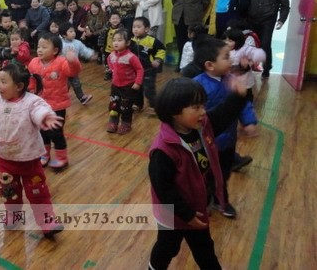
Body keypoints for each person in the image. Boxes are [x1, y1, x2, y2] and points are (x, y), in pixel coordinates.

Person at [148, 77, 248, 270]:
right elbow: (164, 190)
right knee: (168, 247)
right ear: (174, 111)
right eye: (196, 107)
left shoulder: (203, 126)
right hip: (173, 213)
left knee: (204, 250)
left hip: (198, 206)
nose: (203, 112)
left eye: (203, 105)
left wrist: (238, 96)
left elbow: (223, 114)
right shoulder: (163, 150)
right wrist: (186, 214)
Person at [0, 63, 65, 238]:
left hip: (29, 160)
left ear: (18, 86)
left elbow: (39, 109)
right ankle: (13, 215)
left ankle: (47, 221)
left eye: (4, 82)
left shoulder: (31, 101)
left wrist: (45, 116)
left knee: (38, 192)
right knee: (9, 192)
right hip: (5, 160)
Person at [193, 37, 256, 218]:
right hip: (206, 143)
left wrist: (249, 121)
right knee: (205, 174)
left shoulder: (232, 80)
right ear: (210, 65)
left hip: (228, 141)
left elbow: (243, 104)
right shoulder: (198, 84)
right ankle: (205, 200)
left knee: (223, 174)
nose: (231, 60)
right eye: (226, 57)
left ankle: (220, 199)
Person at [28, 33, 81, 169]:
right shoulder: (34, 63)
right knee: (42, 132)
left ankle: (62, 158)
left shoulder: (61, 62)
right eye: (38, 47)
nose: (39, 50)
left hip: (57, 106)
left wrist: (73, 61)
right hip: (40, 106)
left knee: (56, 133)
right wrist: (30, 91)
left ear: (55, 50)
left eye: (44, 47)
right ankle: (44, 155)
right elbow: (31, 80)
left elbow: (73, 72)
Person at [246, 0, 290, 78]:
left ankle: (266, 68)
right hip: (251, 20)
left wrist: (281, 20)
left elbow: (285, 6)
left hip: (268, 21)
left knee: (265, 45)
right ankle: (247, 68)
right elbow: (247, 3)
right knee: (249, 45)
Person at [171, 0, 211, 70]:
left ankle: (195, 64)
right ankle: (181, 63)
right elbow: (174, 1)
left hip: (194, 19)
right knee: (180, 42)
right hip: (179, 19)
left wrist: (196, 11)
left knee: (195, 42)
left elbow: (206, 1)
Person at [106, 29, 144, 134]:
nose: (116, 43)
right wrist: (112, 69)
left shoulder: (131, 57)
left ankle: (126, 123)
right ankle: (113, 122)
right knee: (114, 105)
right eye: (114, 40)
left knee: (125, 107)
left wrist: (137, 82)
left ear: (127, 43)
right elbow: (109, 61)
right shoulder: (112, 55)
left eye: (119, 40)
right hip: (115, 86)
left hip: (128, 87)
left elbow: (140, 69)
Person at [130, 17, 166, 114]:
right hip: (135, 70)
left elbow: (162, 49)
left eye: (138, 27)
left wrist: (157, 60)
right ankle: (138, 104)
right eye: (134, 27)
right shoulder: (131, 41)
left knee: (149, 89)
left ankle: (154, 106)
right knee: (136, 88)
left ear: (146, 29)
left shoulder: (152, 40)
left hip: (148, 70)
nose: (135, 29)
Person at [59, 22, 97, 105]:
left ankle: (82, 98)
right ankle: (60, 98)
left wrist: (91, 54)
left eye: (73, 31)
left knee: (77, 84)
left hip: (73, 68)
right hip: (62, 69)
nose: (73, 33)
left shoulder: (77, 43)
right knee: (65, 85)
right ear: (64, 35)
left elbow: (84, 50)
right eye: (70, 31)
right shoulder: (60, 43)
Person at [98, 12, 124, 80]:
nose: (115, 20)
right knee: (107, 62)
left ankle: (117, 73)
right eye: (113, 18)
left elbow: (124, 40)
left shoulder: (122, 30)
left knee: (117, 62)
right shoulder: (106, 29)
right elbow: (101, 37)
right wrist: (101, 46)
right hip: (107, 49)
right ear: (109, 20)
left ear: (120, 20)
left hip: (117, 50)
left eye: (117, 18)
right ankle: (108, 73)